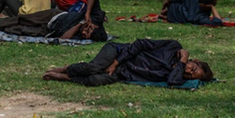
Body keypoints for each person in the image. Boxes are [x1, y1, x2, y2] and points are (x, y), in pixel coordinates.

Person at [43, 39, 214, 87]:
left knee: (96, 80)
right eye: (193, 68)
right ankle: (66, 68)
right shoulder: (173, 46)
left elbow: (172, 81)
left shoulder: (175, 75)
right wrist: (116, 62)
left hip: (123, 73)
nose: (189, 71)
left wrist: (183, 61)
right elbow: (140, 44)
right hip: (118, 53)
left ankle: (65, 78)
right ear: (196, 61)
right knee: (94, 67)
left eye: (192, 74)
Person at [158, 0, 222, 25]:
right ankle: (165, 15)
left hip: (174, 8)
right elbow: (218, 22)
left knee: (179, 4)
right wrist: (212, 7)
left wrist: (163, 7)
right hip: (174, 17)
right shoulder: (200, 17)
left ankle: (166, 12)